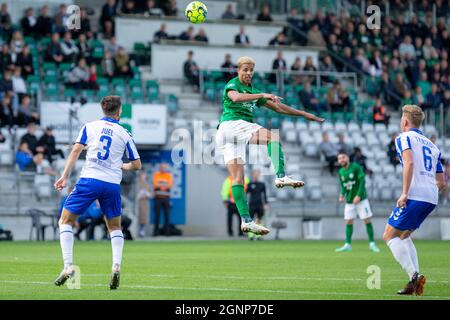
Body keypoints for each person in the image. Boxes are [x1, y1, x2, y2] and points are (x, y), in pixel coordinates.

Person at [215, 56, 324, 236]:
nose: (248, 73)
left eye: (251, 70)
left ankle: (246, 221)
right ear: (238, 70)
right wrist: (262, 95)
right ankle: (281, 176)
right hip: (232, 124)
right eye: (245, 70)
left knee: (238, 179)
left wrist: (303, 113)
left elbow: (278, 108)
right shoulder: (232, 84)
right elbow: (235, 98)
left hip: (227, 135)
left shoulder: (253, 91)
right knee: (273, 138)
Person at [53, 95, 142, 290]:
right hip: (111, 184)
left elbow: (76, 151)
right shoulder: (124, 133)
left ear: (103, 110)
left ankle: (68, 266)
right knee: (115, 228)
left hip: (89, 180)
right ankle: (116, 266)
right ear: (119, 112)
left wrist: (64, 176)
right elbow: (137, 165)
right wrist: (122, 166)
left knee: (65, 221)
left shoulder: (89, 127)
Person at [383, 104, 445, 296]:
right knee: (404, 235)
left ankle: (414, 276)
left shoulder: (404, 137)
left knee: (389, 235)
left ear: (404, 121)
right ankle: (414, 283)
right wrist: (428, 189)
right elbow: (442, 182)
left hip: (415, 195)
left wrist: (404, 193)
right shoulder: (432, 145)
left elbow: (409, 162)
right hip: (431, 197)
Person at [335, 150, 380, 252]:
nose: (341, 160)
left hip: (361, 200)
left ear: (347, 158)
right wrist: (342, 194)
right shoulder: (341, 171)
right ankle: (347, 244)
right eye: (339, 158)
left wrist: (359, 195)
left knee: (367, 220)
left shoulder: (356, 167)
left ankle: (372, 244)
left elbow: (362, 181)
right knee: (348, 222)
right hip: (349, 201)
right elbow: (343, 186)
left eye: (343, 157)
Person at [152, 163, 173, 236]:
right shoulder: (156, 174)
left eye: (164, 167)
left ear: (166, 168)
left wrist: (160, 184)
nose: (163, 169)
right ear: (159, 168)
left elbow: (170, 185)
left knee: (167, 215)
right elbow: (155, 184)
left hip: (166, 198)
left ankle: (167, 232)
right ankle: (156, 232)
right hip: (157, 198)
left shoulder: (168, 175)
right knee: (157, 215)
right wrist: (164, 185)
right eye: (162, 167)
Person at [247, 170, 268, 240]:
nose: (256, 176)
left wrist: (265, 204)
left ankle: (259, 235)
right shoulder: (249, 184)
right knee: (251, 220)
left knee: (259, 219)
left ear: (259, 175)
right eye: (254, 174)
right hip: (252, 204)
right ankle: (251, 235)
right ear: (252, 175)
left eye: (257, 174)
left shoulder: (262, 184)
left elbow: (265, 195)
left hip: (259, 204)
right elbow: (246, 194)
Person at [137, 171, 151, 238]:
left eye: (144, 175)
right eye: (142, 175)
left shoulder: (147, 184)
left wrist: (147, 194)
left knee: (144, 217)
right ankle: (137, 230)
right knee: (138, 216)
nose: (143, 177)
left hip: (145, 202)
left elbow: (150, 194)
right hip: (138, 202)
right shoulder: (137, 184)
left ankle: (142, 231)